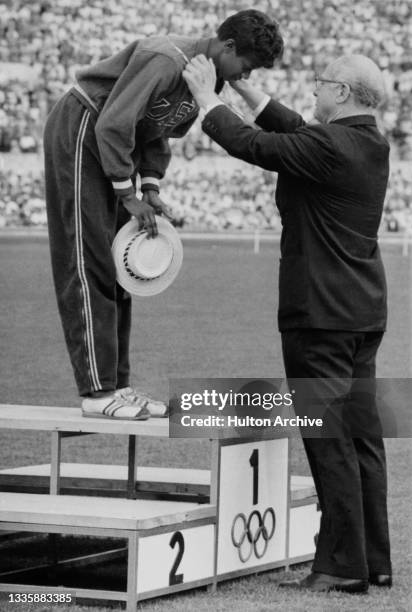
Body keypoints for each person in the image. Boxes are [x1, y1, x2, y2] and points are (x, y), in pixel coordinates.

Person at [183, 54, 392, 592]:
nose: (314, 91)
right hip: (361, 313)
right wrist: (252, 95)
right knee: (363, 436)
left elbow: (259, 147)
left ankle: (343, 567)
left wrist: (211, 101)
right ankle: (373, 558)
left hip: (319, 315)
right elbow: (297, 130)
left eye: (321, 84)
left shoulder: (328, 146)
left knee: (330, 440)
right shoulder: (368, 143)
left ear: (341, 92)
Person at [43, 10, 284, 420]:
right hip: (84, 127)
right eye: (247, 65)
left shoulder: (207, 77)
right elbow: (114, 125)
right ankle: (96, 392)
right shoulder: (167, 59)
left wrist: (150, 187)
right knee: (89, 262)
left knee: (121, 268)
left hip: (115, 145)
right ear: (227, 47)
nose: (248, 74)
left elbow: (156, 132)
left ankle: (117, 386)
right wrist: (127, 192)